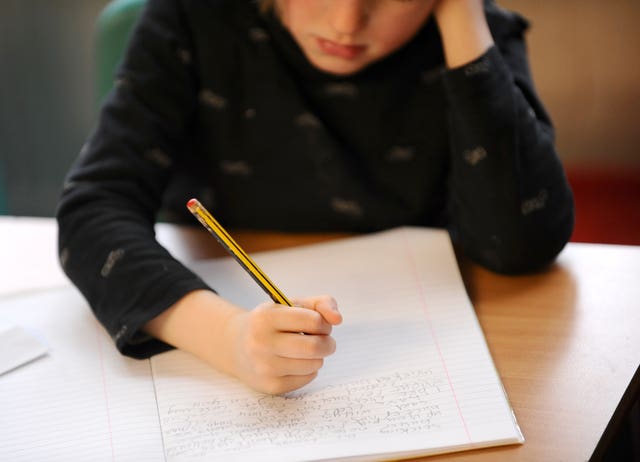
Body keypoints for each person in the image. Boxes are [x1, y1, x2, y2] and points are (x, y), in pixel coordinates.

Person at [57, 0, 575, 394]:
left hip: (429, 328)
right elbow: (94, 209)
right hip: (224, 302)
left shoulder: (475, 37)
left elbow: (521, 242)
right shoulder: (193, 19)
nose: (347, 22)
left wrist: (463, 21)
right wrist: (228, 336)